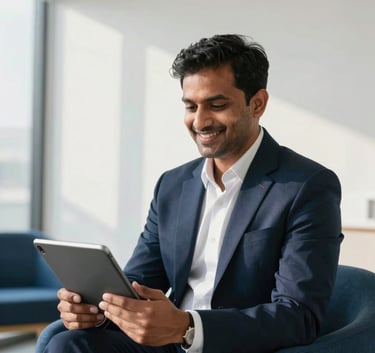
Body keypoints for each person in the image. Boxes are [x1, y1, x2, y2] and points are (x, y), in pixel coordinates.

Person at [42, 34, 343, 353]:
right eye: (190, 106)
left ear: (257, 103)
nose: (199, 121)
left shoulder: (307, 186)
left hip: (237, 344)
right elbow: (139, 285)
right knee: (69, 343)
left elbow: (298, 316)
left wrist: (187, 326)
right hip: (165, 343)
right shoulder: (173, 186)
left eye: (217, 105)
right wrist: (97, 310)